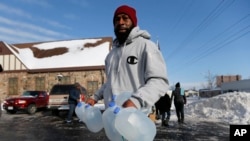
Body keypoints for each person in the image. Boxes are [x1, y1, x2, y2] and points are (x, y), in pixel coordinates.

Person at [87, 5, 169, 114]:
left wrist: (136, 100)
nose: (121, 22)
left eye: (125, 18)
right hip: (111, 117)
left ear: (133, 22)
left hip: (135, 119)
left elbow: (159, 81)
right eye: (117, 19)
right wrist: (95, 97)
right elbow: (109, 82)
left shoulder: (146, 46)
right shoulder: (111, 55)